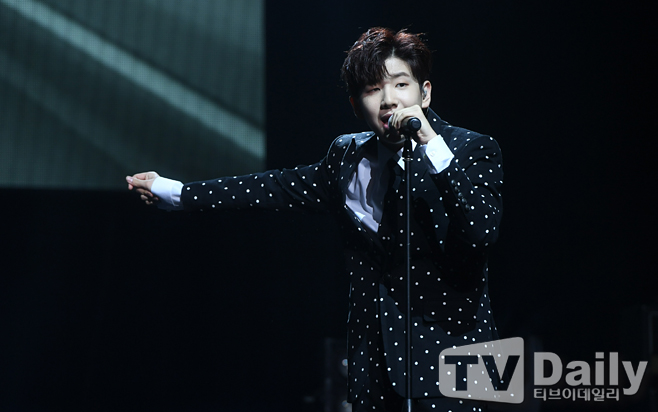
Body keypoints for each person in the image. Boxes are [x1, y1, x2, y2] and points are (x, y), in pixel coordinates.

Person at [127, 27, 502, 412]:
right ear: (356, 105)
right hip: (373, 371)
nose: (389, 100)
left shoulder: (470, 149)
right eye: (373, 89)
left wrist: (430, 144)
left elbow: (480, 230)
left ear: (425, 93)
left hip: (457, 361)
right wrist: (178, 193)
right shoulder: (347, 157)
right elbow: (273, 188)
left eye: (401, 84)